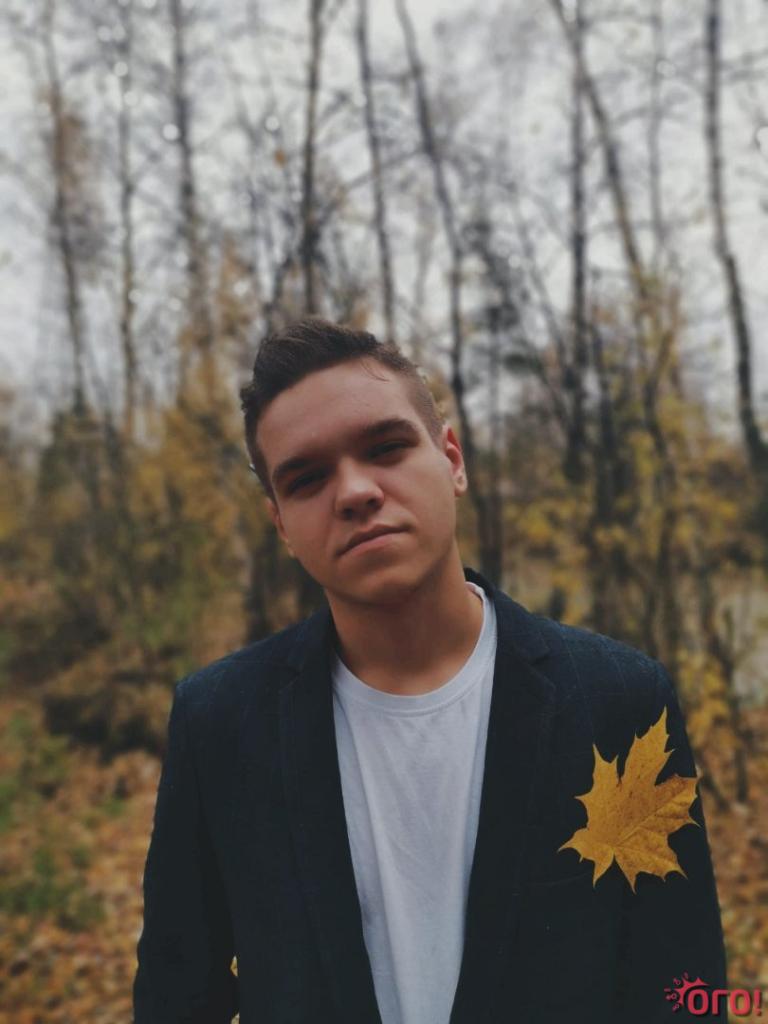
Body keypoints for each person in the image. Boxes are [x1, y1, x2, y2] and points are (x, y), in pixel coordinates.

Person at [133, 318, 728, 1024]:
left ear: (452, 460)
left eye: (386, 448)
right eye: (307, 478)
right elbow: (176, 994)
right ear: (282, 525)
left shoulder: (618, 700)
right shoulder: (219, 722)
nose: (355, 491)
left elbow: (683, 986)